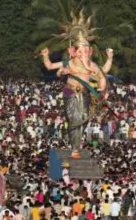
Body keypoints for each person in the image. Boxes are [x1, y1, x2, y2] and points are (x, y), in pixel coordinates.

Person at [40, 10, 113, 157]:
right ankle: (74, 149)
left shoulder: (91, 65)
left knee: (84, 118)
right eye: (80, 52)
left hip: (85, 94)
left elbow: (103, 71)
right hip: (70, 92)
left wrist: (109, 59)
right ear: (73, 51)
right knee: (74, 119)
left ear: (89, 52)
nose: (83, 55)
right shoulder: (69, 63)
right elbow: (51, 67)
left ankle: (76, 145)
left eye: (86, 51)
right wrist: (46, 57)